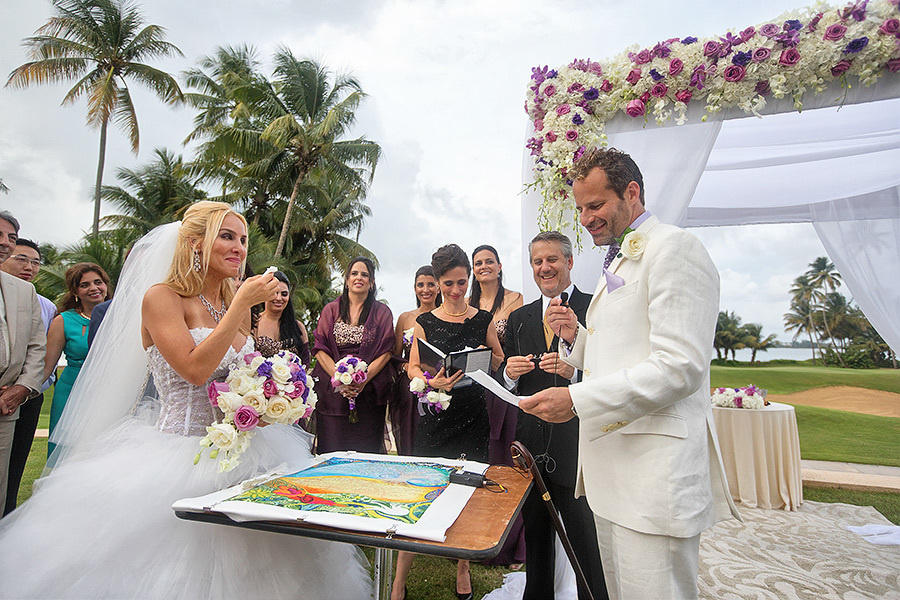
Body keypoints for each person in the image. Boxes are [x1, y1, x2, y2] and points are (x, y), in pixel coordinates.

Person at [0, 201, 372, 597]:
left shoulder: (231, 302)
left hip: (248, 451)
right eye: (226, 236)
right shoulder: (162, 297)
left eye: (243, 239)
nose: (239, 248)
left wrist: (265, 399)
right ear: (195, 243)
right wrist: (243, 305)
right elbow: (193, 369)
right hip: (177, 450)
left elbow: (235, 376)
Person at [520, 148, 739, 600]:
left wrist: (578, 401)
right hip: (612, 474)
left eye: (595, 205)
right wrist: (577, 339)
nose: (584, 218)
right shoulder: (615, 261)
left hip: (653, 478)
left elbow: (681, 366)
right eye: (580, 208)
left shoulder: (675, 248)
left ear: (632, 193)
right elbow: (618, 351)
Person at [391, 243, 503, 600]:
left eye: (461, 282)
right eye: (448, 284)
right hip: (436, 417)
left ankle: (463, 567)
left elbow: (499, 358)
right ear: (437, 283)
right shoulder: (423, 322)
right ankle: (398, 579)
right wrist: (429, 381)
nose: (456, 290)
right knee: (421, 493)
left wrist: (486, 362)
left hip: (473, 415)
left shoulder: (483, 319)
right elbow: (411, 366)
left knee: (467, 492)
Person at [501, 231, 606, 600]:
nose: (544, 267)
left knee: (583, 541)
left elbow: (608, 372)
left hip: (576, 445)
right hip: (530, 446)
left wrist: (574, 372)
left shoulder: (596, 307)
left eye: (552, 260)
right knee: (537, 539)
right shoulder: (519, 318)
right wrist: (509, 375)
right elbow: (512, 387)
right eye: (537, 261)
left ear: (569, 262)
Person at [469, 244, 526, 567]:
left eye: (489, 261)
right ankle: (478, 536)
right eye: (478, 262)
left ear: (500, 266)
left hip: (504, 387)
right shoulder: (467, 304)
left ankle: (512, 543)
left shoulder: (515, 300)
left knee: (506, 459)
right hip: (475, 390)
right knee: (482, 460)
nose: (484, 266)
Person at [312, 257, 394, 454]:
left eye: (365, 274)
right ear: (347, 279)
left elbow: (386, 350)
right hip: (332, 390)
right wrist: (340, 379)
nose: (359, 278)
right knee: (332, 450)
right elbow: (320, 348)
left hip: (369, 390)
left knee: (366, 452)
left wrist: (361, 381)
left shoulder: (382, 312)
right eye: (354, 274)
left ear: (372, 282)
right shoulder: (330, 310)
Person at [0, 238, 56, 515]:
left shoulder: (42, 303)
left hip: (27, 392)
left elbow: (39, 346)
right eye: (22, 259)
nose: (29, 266)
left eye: (35, 262)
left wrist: (25, 386)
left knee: (13, 462)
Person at [43, 262, 112, 454]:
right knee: (68, 450)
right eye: (85, 284)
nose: (94, 288)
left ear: (106, 285)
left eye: (98, 282)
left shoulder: (121, 315)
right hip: (71, 389)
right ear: (75, 291)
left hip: (110, 389)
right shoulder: (63, 320)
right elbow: (47, 366)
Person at [390, 265, 441, 455]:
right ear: (414, 288)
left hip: (438, 383)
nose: (425, 290)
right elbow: (394, 355)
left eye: (431, 284)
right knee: (410, 434)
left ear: (438, 287)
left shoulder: (445, 315)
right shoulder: (405, 318)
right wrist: (407, 368)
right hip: (410, 387)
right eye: (421, 285)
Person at [252, 271, 310, 365]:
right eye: (274, 293)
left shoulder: (298, 327)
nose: (279, 298)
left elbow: (305, 361)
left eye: (284, 294)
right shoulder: (254, 322)